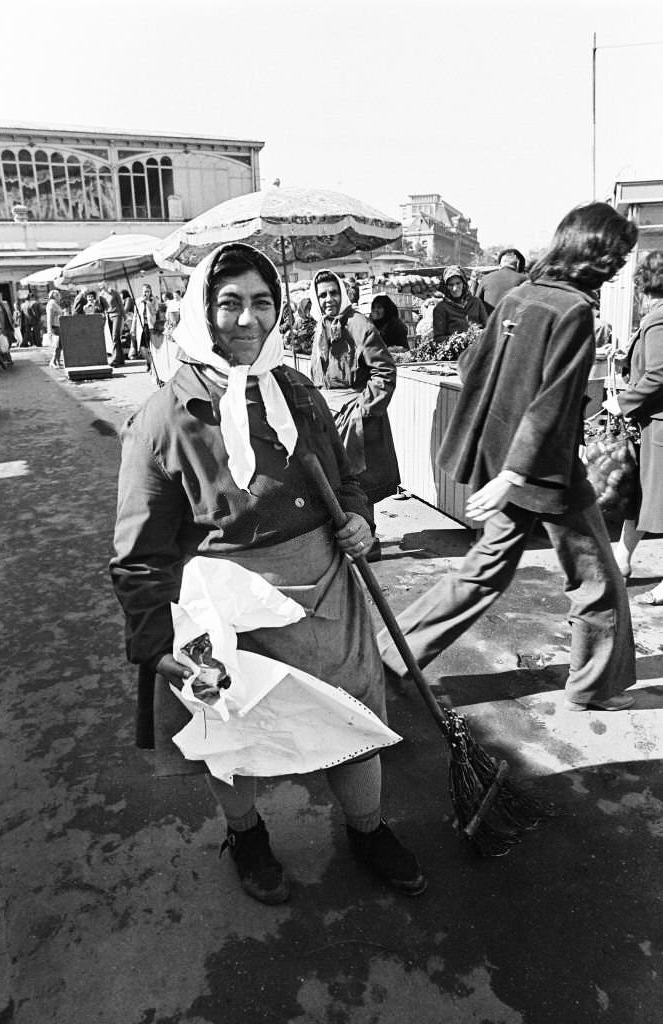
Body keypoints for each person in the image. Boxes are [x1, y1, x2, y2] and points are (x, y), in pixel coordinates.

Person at [110, 242, 425, 904]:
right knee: (229, 733)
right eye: (229, 303)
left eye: (261, 302)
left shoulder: (296, 390)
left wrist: (359, 517)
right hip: (217, 601)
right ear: (202, 310)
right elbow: (139, 549)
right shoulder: (165, 416)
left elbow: (349, 477)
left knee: (351, 719)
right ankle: (248, 836)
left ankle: (366, 831)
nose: (246, 320)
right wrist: (153, 640)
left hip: (321, 585)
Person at [378, 202, 638, 713]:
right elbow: (553, 403)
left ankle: (386, 660)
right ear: (598, 254)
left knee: (482, 575)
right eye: (618, 254)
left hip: (505, 463)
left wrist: (501, 467)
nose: (621, 264)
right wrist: (516, 474)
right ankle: (594, 687)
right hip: (546, 472)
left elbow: (471, 364)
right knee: (597, 579)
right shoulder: (574, 311)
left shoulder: (520, 295)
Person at [309, 270, 400, 562]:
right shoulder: (321, 327)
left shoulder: (358, 324)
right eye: (322, 295)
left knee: (361, 481)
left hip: (357, 415)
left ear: (343, 294)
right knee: (338, 480)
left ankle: (368, 543)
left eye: (333, 293)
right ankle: (353, 540)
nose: (328, 300)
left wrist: (363, 410)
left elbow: (384, 371)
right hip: (330, 415)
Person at [608, 251, 663, 605]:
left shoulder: (659, 320)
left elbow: (660, 372)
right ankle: (621, 561)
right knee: (642, 498)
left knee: (658, 502)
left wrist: (622, 401)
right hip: (653, 425)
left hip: (660, 426)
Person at [432, 266, 487, 345]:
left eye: (458, 283)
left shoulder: (476, 302)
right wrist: (459, 339)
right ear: (446, 287)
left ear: (464, 283)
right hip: (456, 353)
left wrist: (479, 335)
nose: (455, 288)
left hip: (477, 350)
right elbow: (438, 338)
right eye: (451, 285)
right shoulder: (441, 308)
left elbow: (487, 327)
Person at [476, 249, 528, 314]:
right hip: (513, 322)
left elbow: (476, 304)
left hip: (489, 322)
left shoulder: (486, 278)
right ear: (517, 265)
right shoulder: (525, 280)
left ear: (500, 264)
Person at [130, 282, 159, 368]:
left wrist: (148, 302)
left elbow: (154, 312)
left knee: (150, 346)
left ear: (150, 292)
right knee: (142, 347)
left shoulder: (154, 300)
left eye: (147, 291)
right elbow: (135, 315)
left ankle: (152, 364)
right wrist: (132, 328)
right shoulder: (138, 301)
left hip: (151, 326)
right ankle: (149, 361)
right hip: (141, 326)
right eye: (144, 291)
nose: (145, 293)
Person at [99, 283, 126, 367]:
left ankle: (115, 359)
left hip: (117, 315)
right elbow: (101, 307)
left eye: (103, 286)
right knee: (115, 338)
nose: (102, 287)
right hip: (108, 316)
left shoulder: (114, 292)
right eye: (100, 287)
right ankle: (121, 359)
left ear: (106, 285)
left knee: (115, 336)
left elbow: (121, 304)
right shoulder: (101, 295)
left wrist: (123, 315)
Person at [46, 289, 63, 368]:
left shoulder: (55, 303)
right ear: (54, 296)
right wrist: (50, 329)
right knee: (57, 345)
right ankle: (53, 361)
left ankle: (58, 361)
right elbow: (49, 317)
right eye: (58, 295)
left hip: (58, 325)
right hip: (55, 326)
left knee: (60, 345)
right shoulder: (52, 304)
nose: (60, 296)